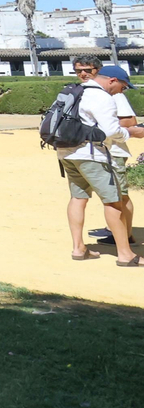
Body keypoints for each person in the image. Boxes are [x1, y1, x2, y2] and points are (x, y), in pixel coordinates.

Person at [61, 64, 142, 265]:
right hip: (91, 154)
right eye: (122, 87)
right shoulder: (102, 96)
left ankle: (78, 248)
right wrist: (131, 133)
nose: (120, 92)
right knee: (114, 201)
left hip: (66, 152)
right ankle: (125, 254)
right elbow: (111, 131)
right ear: (112, 81)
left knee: (78, 198)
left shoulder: (74, 90)